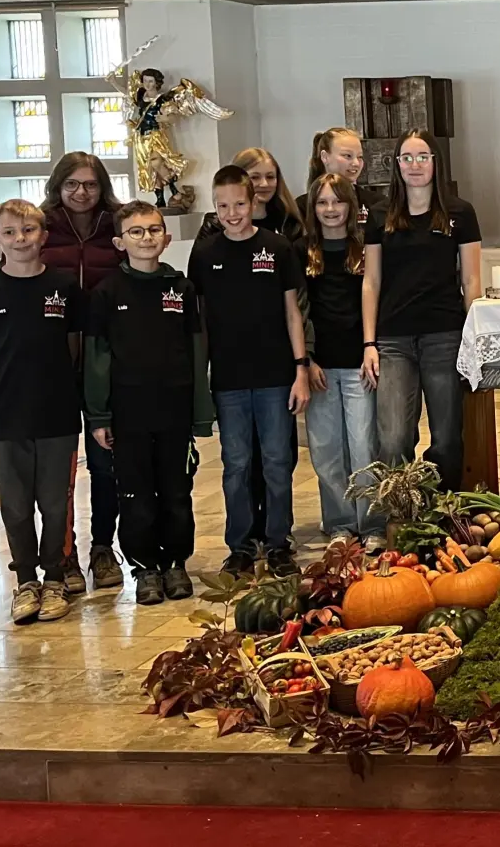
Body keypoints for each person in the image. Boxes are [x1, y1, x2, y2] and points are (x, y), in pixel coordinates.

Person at [84, 201, 214, 604]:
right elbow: (97, 358)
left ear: (167, 237)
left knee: (176, 491)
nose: (146, 238)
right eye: (136, 232)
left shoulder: (181, 288)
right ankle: (144, 568)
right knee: (136, 495)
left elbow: (197, 353)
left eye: (154, 230)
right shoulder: (107, 293)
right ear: (120, 242)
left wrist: (199, 414)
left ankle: (175, 562)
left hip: (173, 409)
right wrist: (100, 414)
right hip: (128, 414)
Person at [0, 200, 82, 623]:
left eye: (28, 230)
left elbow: (72, 347)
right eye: (10, 232)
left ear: (43, 236)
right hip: (5, 418)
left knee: (54, 504)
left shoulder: (64, 287)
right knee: (14, 506)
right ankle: (26, 580)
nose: (20, 239)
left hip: (56, 416)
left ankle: (54, 578)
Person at [188, 166, 310, 577]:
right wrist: (200, 377)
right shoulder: (205, 254)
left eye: (239, 204)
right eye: (222, 206)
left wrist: (300, 368)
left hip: (276, 375)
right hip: (228, 380)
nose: (232, 213)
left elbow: (293, 313)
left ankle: (278, 543)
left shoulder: (276, 247)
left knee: (277, 461)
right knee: (236, 464)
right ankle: (240, 546)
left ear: (254, 201)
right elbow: (199, 322)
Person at [363, 130, 480, 491]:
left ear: (435, 163)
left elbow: (472, 281)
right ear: (396, 164)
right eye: (407, 158)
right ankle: (401, 515)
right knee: (395, 437)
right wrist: (369, 343)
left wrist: (475, 339)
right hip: (394, 338)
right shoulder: (381, 214)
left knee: (446, 436)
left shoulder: (459, 212)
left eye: (422, 157)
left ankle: (442, 510)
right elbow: (371, 281)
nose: (415, 165)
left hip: (444, 335)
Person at [38, 152, 124, 594]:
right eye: (72, 184)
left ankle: (103, 550)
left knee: (107, 462)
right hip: (56, 357)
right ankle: (64, 556)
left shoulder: (116, 224)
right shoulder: (43, 227)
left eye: (90, 184)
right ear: (58, 185)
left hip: (106, 357)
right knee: (61, 467)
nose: (81, 192)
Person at [300, 173, 383, 544]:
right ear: (312, 208)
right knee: (326, 450)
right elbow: (296, 311)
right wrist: (306, 360)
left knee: (364, 447)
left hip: (357, 361)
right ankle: (339, 524)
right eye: (322, 202)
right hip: (320, 365)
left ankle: (373, 524)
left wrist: (371, 345)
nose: (330, 209)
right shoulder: (303, 252)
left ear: (351, 207)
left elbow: (376, 298)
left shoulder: (364, 249)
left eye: (338, 201)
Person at [297, 128, 386, 223]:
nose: (356, 163)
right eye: (347, 156)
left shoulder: (377, 203)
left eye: (360, 157)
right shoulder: (301, 208)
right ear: (325, 157)